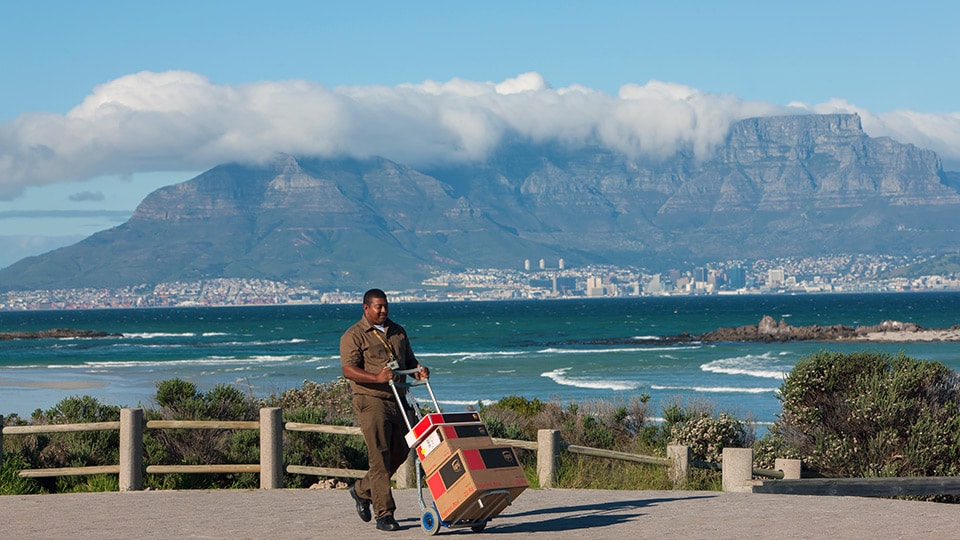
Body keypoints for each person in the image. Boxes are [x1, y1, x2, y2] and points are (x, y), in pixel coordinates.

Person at [340, 288, 429, 532]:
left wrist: (419, 370)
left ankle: (361, 491)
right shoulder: (354, 335)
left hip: (398, 399)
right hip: (371, 400)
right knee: (379, 456)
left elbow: (409, 361)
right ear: (366, 308)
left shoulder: (398, 331)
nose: (383, 311)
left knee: (401, 451)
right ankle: (384, 514)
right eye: (378, 307)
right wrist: (376, 377)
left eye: (385, 306)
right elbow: (348, 369)